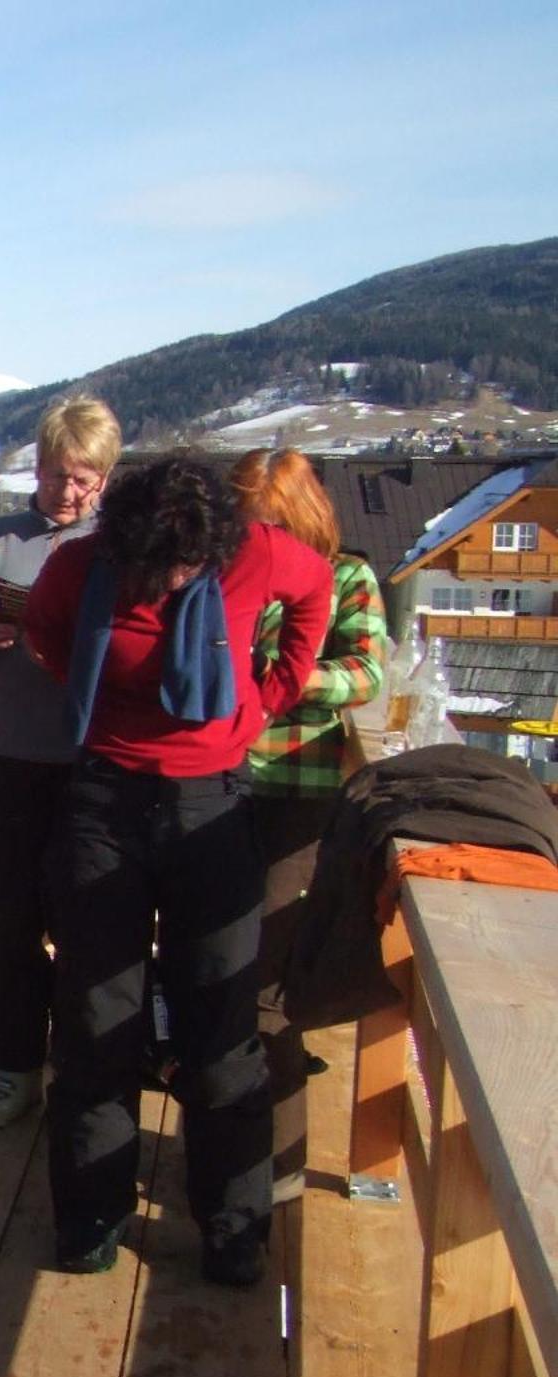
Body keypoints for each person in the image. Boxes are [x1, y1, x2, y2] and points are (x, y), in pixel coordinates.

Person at [23, 456, 332, 1286]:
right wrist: (89, 687)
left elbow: (314, 593)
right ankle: (91, 1217)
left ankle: (234, 1230)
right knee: (96, 1016)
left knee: (222, 1022)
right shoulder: (82, 565)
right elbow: (46, 632)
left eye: (187, 568)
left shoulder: (259, 552)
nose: (169, 582)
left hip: (213, 809)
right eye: (155, 568)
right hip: (103, 804)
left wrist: (273, 692)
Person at [0, 396, 121, 1125]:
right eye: (53, 476)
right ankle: (11, 1069)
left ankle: (84, 1072)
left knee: (89, 929)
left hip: (98, 763)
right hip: (10, 760)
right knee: (7, 926)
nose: (66, 493)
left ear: (105, 476)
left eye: (83, 479)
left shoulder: (122, 545)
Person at [230, 448, 386, 1203]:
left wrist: (289, 682)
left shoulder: (349, 576)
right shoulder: (230, 573)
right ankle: (226, 1149)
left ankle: (281, 1168)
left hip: (300, 795)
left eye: (270, 526)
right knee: (217, 976)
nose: (257, 541)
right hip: (222, 790)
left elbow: (367, 674)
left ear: (301, 518)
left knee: (265, 988)